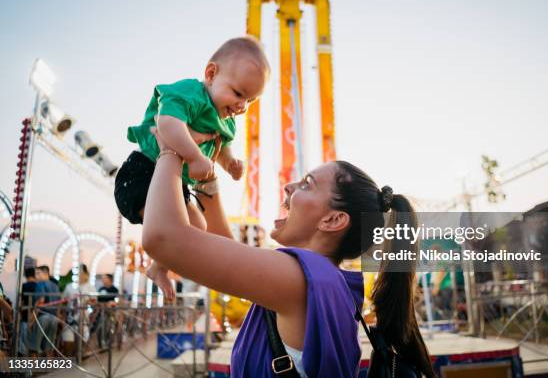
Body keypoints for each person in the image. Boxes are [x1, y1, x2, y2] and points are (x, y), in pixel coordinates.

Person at [141, 128, 435, 377]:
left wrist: (171, 147)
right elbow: (226, 250)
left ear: (332, 220)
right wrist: (208, 179)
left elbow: (162, 238)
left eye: (307, 184)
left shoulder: (300, 278)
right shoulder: (325, 280)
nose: (289, 186)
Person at [114, 36, 270, 300]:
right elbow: (168, 124)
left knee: (197, 224)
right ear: (211, 74)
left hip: (175, 181)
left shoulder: (226, 120)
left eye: (251, 101)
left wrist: (228, 163)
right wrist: (195, 156)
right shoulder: (190, 93)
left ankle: (158, 267)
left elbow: (220, 149)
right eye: (238, 94)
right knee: (173, 227)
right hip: (143, 172)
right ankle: (157, 243)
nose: (242, 106)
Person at [62, 264, 96, 354]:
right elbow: (63, 301)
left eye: (81, 273)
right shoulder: (69, 286)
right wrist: (61, 315)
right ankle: (68, 362)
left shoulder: (90, 287)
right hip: (70, 317)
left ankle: (79, 359)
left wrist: (88, 302)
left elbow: (94, 303)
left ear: (85, 274)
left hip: (84, 319)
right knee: (67, 340)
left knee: (82, 342)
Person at [31, 265, 60, 356]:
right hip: (54, 317)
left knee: (35, 344)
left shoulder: (40, 284)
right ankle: (48, 365)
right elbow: (59, 303)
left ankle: (33, 368)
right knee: (50, 344)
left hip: (43, 316)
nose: (36, 276)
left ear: (45, 273)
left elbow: (41, 301)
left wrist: (32, 318)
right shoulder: (55, 286)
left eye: (38, 273)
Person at [19, 267, 37, 355]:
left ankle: (23, 366)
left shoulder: (24, 286)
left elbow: (21, 302)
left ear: (26, 275)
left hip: (26, 317)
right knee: (34, 346)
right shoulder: (38, 286)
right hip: (37, 318)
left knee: (23, 344)